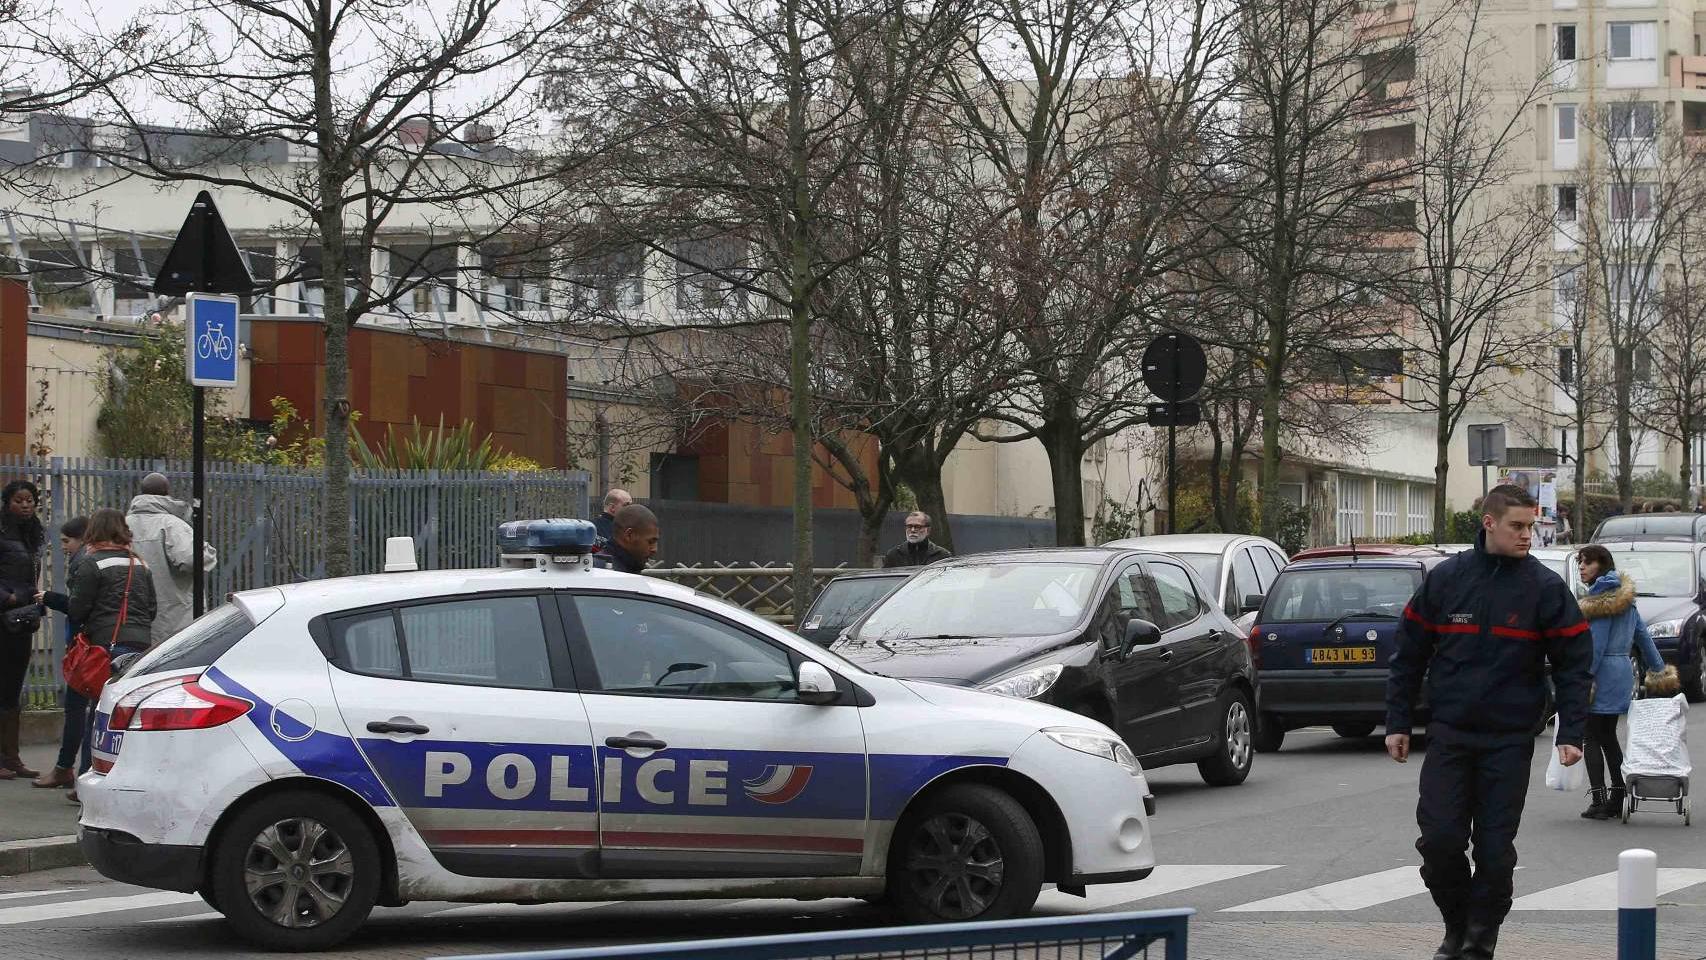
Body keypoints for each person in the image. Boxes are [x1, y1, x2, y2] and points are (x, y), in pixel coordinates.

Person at [1386, 484, 1593, 960]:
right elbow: (1409, 653)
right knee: (1439, 842)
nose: (1528, 536)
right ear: (1489, 524)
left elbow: (1574, 662)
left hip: (1509, 740)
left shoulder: (1543, 588)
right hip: (1450, 736)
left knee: (1495, 853)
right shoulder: (1448, 580)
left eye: (1532, 527)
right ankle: (1456, 925)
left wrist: (1572, 731)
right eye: (1518, 526)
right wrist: (1398, 721)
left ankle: (1481, 939)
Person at [1572, 545, 1664, 820]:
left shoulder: (1601, 600)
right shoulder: (1625, 598)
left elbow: (1596, 647)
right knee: (1608, 736)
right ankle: (1618, 793)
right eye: (1579, 564)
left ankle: (1599, 801)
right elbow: (1643, 637)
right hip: (1622, 671)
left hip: (1601, 674)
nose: (1581, 569)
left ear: (1601, 564)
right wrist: (1659, 672)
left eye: (1586, 563)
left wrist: (1584, 678)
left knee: (1590, 737)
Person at [31, 516, 90, 790]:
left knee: (77, 708)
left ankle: (68, 768)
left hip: (86, 645)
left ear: (82, 539)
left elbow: (79, 607)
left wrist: (51, 598)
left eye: (67, 541)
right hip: (95, 643)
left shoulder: (85, 564)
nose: (63, 546)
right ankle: (76, 769)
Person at [126, 473, 216, 645]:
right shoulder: (172, 525)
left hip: (134, 619)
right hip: (175, 617)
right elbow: (192, 559)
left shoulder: (124, 524)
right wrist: (207, 551)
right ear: (167, 492)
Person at [0, 480, 45, 781]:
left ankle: (12, 756)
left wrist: (32, 600)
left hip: (22, 618)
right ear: (7, 502)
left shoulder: (33, 534)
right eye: (19, 500)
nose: (26, 505)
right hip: (4, 613)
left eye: (30, 499)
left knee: (13, 688)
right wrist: (9, 597)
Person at [596, 503, 658, 575]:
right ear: (629, 535)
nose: (654, 549)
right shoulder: (603, 572)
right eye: (650, 542)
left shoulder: (626, 569)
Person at [882, 512, 952, 568]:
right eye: (909, 526)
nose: (912, 530)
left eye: (917, 527)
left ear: (928, 530)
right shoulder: (894, 555)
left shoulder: (942, 555)